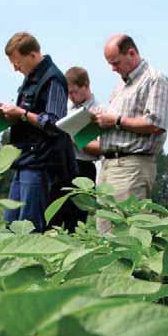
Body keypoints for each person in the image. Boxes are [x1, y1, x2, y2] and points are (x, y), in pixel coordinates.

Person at [87, 34, 168, 232]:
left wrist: (116, 121)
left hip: (132, 165)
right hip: (108, 164)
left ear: (131, 53)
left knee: (125, 233)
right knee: (105, 233)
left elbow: (155, 123)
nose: (113, 68)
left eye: (115, 62)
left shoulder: (154, 79)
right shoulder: (120, 86)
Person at [0, 32, 71, 233]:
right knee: (10, 224)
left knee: (29, 227)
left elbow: (55, 123)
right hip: (24, 160)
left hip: (40, 164)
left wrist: (21, 113)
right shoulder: (29, 80)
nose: (15, 69)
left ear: (32, 55)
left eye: (18, 63)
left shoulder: (53, 78)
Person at [48, 65, 99, 230]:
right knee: (53, 218)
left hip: (83, 167)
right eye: (68, 93)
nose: (70, 96)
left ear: (85, 86)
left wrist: (72, 137)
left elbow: (99, 149)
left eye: (73, 92)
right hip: (61, 166)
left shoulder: (99, 111)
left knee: (76, 221)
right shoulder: (66, 108)